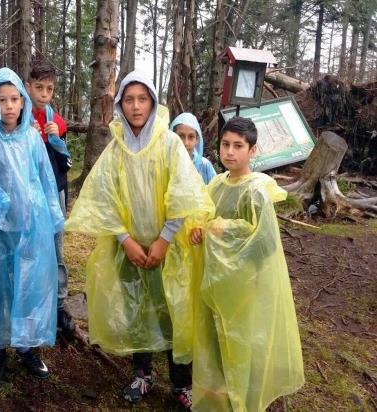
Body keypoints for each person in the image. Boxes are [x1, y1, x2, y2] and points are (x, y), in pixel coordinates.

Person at [64, 71, 214, 409]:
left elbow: (183, 194)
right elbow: (104, 196)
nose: (135, 106)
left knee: (176, 310)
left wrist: (163, 240)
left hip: (169, 250)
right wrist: (125, 241)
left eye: (141, 99)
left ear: (152, 103)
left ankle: (181, 383)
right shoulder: (116, 149)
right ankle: (142, 373)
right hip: (129, 251)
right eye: (128, 99)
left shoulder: (170, 144)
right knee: (137, 309)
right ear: (120, 104)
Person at [188, 117, 304, 411]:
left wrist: (224, 230)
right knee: (215, 343)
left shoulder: (256, 191)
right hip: (215, 283)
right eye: (225, 145)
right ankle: (218, 400)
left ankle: (244, 402)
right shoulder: (216, 184)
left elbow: (264, 243)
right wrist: (200, 229)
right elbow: (204, 217)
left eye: (238, 146)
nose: (230, 152)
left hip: (244, 288)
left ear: (252, 150)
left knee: (241, 346)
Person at [0, 67, 64, 383]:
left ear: (23, 102)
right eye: (1, 99)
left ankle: (27, 345)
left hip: (29, 227)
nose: (8, 106)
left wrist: (52, 218)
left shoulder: (32, 139)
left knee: (29, 286)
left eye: (14, 99)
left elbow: (45, 180)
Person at [25, 61, 75, 334]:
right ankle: (32, 301)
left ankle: (59, 306)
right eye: (39, 87)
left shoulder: (57, 121)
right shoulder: (20, 117)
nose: (44, 94)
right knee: (30, 248)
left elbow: (65, 163)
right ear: (29, 86)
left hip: (54, 192)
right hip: (29, 195)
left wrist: (58, 139)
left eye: (50, 89)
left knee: (56, 248)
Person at [170, 112, 216, 184]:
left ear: (197, 140)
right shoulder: (166, 165)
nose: (186, 143)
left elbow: (215, 192)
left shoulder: (205, 166)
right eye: (181, 136)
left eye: (191, 137)